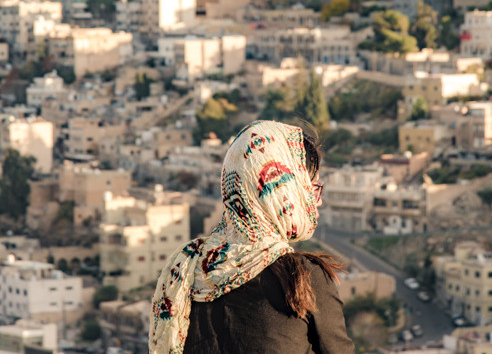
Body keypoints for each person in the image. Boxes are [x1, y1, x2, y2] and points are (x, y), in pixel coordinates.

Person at [150, 120, 355, 354]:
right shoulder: (305, 279)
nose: (318, 201)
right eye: (312, 189)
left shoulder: (184, 274)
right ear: (282, 188)